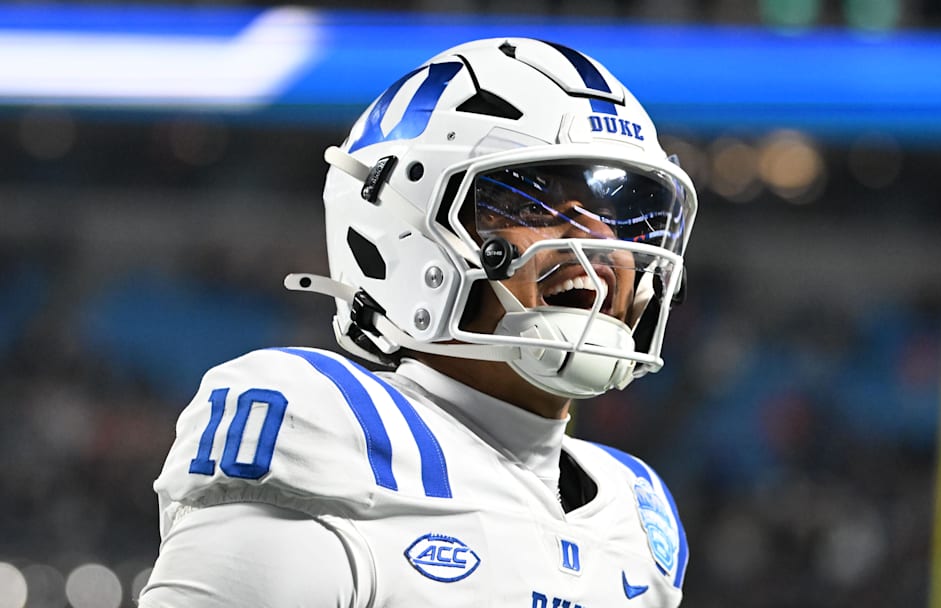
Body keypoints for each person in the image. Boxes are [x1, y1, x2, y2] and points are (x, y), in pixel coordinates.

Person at [139, 37, 697, 607]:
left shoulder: (636, 513)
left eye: (619, 219)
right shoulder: (333, 433)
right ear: (408, 230)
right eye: (535, 207)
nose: (602, 244)